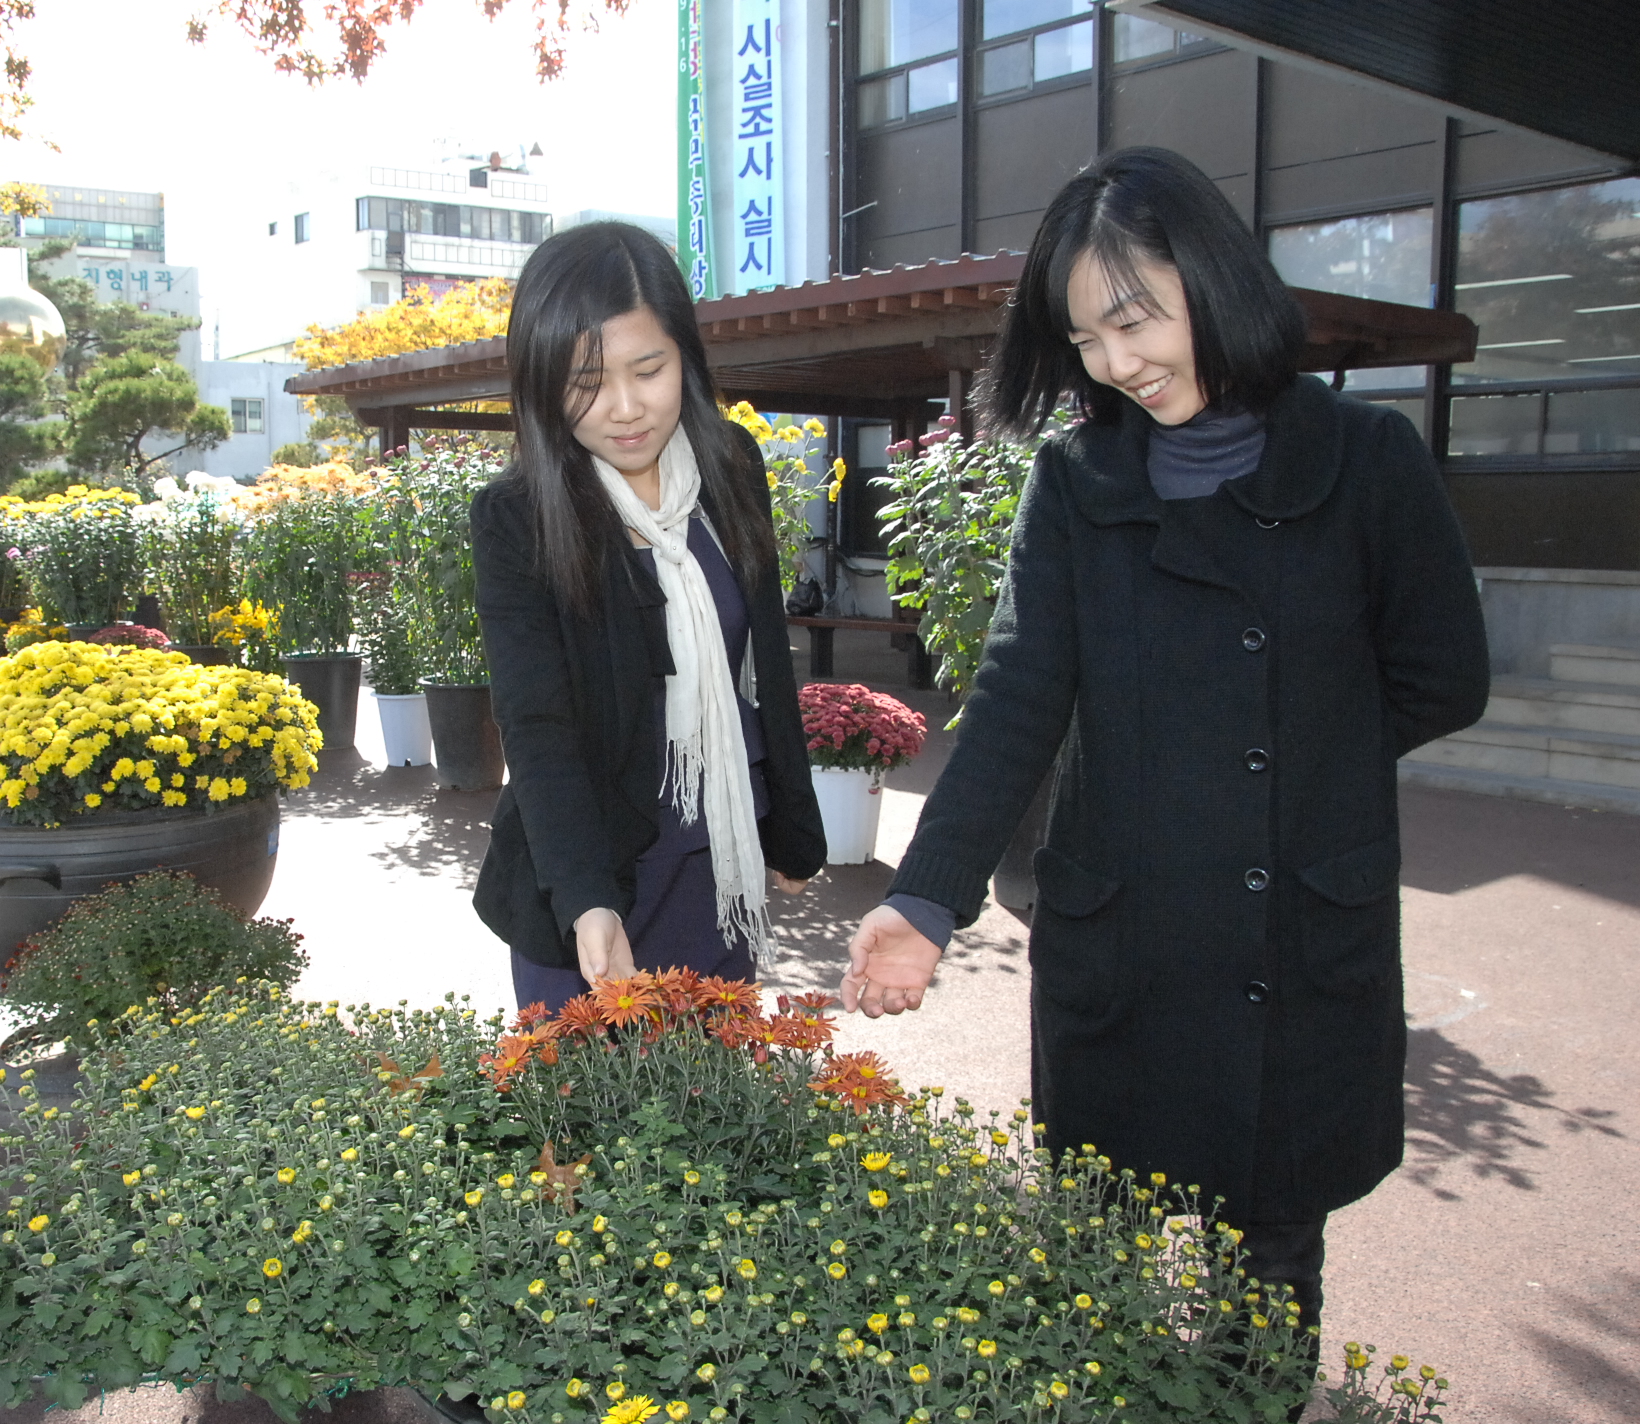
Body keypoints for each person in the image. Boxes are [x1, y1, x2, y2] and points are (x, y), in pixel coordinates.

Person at [841, 148, 1488, 1341]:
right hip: (1120, 935)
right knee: (1090, 1287)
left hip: (1291, 930)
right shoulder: (1075, 480)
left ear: (1214, 275)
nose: (1115, 363)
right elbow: (1018, 697)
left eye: (1132, 320)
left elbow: (1443, 678)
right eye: (1084, 339)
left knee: (1265, 1288)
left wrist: (1284, 756)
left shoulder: (1364, 460)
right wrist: (922, 895)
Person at [471, 221, 826, 1011]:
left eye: (649, 369)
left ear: (686, 359)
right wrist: (588, 900)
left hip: (712, 865)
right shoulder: (518, 516)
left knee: (710, 1113)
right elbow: (536, 723)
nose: (624, 409)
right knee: (586, 1122)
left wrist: (793, 827)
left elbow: (764, 655)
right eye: (584, 382)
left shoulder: (730, 464)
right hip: (587, 879)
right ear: (539, 383)